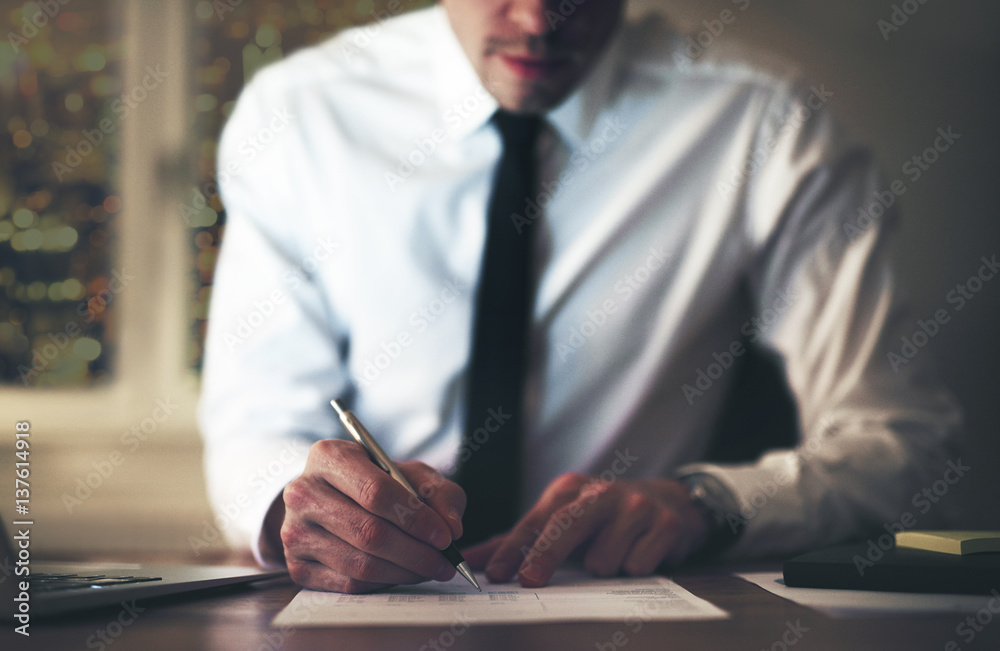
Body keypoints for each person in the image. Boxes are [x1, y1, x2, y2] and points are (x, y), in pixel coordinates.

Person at [199, 0, 962, 594]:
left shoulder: (766, 127)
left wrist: (709, 502)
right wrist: (296, 508)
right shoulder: (298, 115)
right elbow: (254, 426)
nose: (537, 20)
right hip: (366, 615)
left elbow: (902, 447)